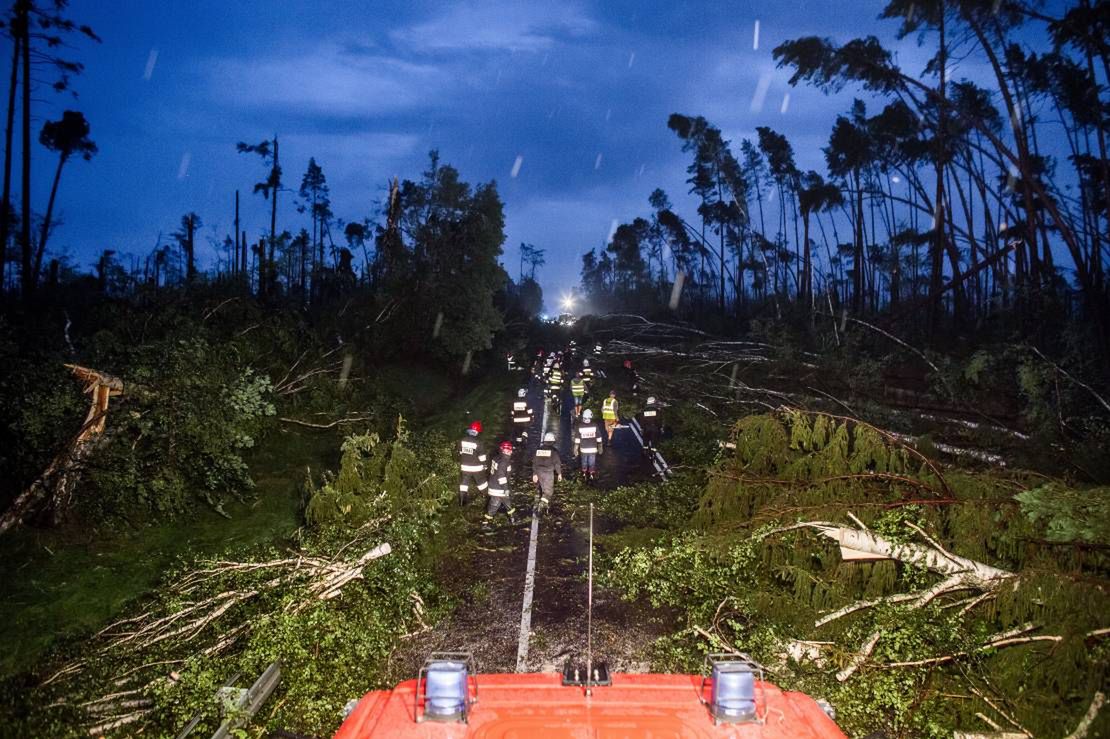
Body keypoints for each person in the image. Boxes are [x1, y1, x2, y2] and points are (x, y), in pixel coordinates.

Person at [485, 441, 516, 526]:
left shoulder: (496, 458)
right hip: (499, 489)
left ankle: (512, 519)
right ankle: (486, 524)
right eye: (508, 450)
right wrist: (505, 489)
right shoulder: (504, 461)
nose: (510, 451)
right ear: (504, 450)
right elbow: (501, 476)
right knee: (498, 505)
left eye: (510, 450)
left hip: (493, 486)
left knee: (503, 504)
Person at [457, 421, 488, 506]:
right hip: (476, 467)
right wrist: (485, 465)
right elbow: (482, 457)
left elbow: (460, 452)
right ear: (477, 432)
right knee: (481, 482)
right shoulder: (478, 443)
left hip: (465, 467)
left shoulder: (462, 440)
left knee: (464, 484)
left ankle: (462, 502)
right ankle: (487, 497)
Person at [531, 430, 562, 513]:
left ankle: (545, 506)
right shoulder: (554, 451)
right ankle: (541, 505)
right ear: (552, 442)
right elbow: (557, 464)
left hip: (539, 473)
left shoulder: (538, 450)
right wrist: (559, 473)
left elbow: (534, 462)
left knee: (542, 489)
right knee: (548, 492)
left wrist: (534, 474)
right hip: (548, 473)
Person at [573, 408, 603, 484]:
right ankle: (591, 474)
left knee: (584, 461)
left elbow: (577, 440)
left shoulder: (580, 426)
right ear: (591, 417)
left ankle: (584, 473)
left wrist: (575, 449)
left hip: (584, 449)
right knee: (592, 462)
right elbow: (599, 437)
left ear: (583, 417)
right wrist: (600, 447)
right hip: (593, 449)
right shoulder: (594, 425)